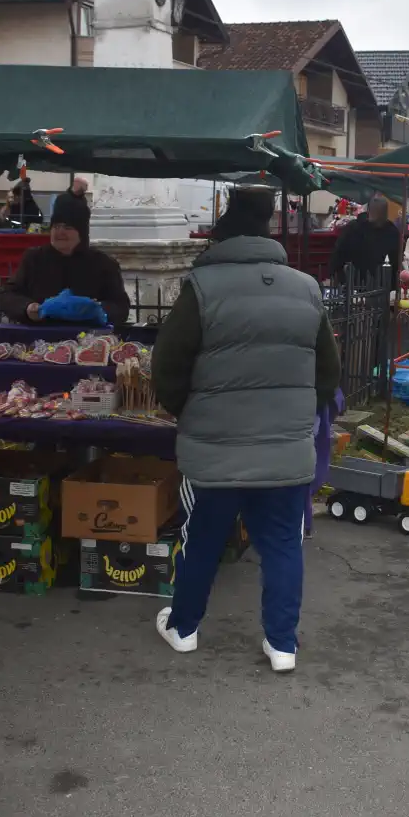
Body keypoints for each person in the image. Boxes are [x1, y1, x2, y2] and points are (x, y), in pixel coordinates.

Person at [150, 187, 340, 673]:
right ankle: (282, 645)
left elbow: (167, 365)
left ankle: (185, 628)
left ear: (221, 238)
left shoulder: (202, 287)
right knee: (281, 544)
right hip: (285, 450)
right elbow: (328, 371)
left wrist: (187, 412)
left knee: (203, 539)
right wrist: (299, 415)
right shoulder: (306, 288)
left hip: (215, 448)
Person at [0, 195, 130, 326]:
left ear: (81, 232)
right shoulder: (34, 258)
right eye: (56, 226)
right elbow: (8, 295)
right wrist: (27, 308)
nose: (60, 232)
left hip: (89, 338)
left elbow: (120, 306)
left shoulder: (103, 263)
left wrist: (97, 309)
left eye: (67, 227)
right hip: (39, 336)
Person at [329, 192, 401, 285]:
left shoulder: (392, 232)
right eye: (377, 211)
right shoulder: (353, 228)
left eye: (381, 212)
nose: (378, 215)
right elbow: (338, 256)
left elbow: (396, 261)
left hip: (383, 285)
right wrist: (337, 276)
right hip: (356, 284)